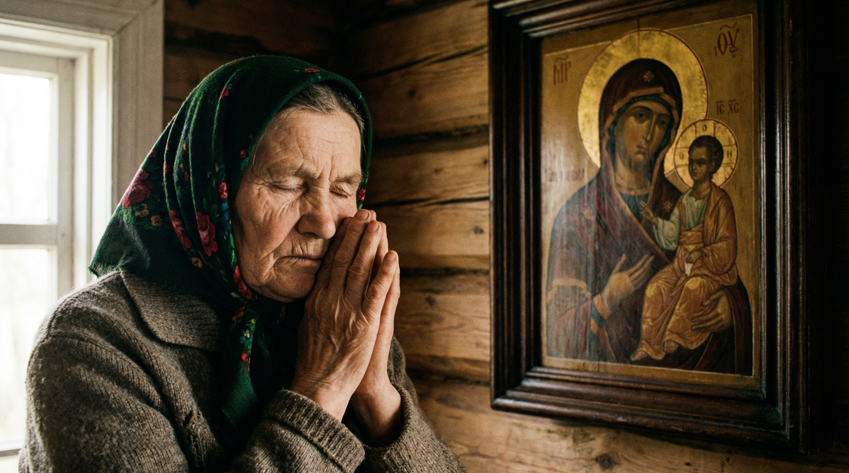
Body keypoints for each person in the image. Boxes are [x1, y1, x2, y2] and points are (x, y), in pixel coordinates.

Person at [19, 56, 465, 472]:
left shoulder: (344, 317)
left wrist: (377, 398)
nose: (325, 224)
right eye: (289, 184)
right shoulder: (94, 343)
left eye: (343, 189)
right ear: (211, 191)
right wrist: (324, 388)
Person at [545, 58, 752, 373]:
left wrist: (731, 308)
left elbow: (724, 268)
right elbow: (557, 333)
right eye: (640, 116)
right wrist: (606, 300)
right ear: (612, 122)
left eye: (662, 123)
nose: (650, 133)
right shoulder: (576, 217)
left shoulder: (683, 202)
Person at [631, 135, 740, 361]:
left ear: (712, 166)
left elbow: (728, 245)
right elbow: (673, 235)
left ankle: (676, 334)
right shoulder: (685, 200)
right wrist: (656, 221)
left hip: (711, 269)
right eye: (691, 162)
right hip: (683, 264)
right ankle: (649, 344)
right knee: (655, 287)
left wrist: (703, 252)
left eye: (700, 163)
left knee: (692, 287)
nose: (693, 168)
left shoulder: (721, 201)